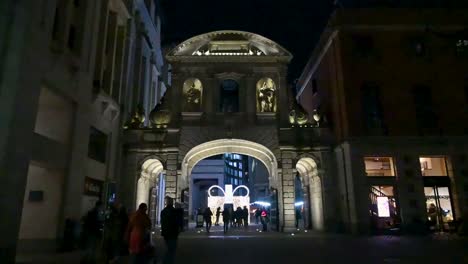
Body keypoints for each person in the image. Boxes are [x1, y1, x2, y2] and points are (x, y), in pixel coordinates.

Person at [161, 197, 182, 264]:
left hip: (166, 233)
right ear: (172, 203)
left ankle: (167, 261)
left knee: (169, 248)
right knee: (172, 250)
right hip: (173, 233)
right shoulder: (174, 211)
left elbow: (162, 222)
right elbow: (178, 221)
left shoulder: (163, 211)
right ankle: (167, 262)